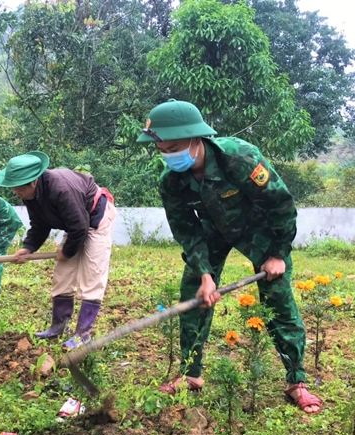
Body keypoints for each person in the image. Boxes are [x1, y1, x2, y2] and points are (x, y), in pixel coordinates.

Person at [137, 99, 322, 414]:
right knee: (194, 295)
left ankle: (296, 381)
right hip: (212, 232)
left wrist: (277, 253)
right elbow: (186, 231)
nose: (169, 155)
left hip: (260, 228)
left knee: (278, 298)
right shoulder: (170, 182)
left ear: (197, 138)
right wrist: (206, 276)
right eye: (162, 150)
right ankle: (190, 374)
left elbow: (281, 204)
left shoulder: (239, 159)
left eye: (175, 147)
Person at [0, 151, 117, 349]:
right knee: (63, 274)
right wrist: (29, 247)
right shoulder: (29, 193)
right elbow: (39, 224)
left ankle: (82, 334)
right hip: (77, 223)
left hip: (95, 218)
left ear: (33, 182)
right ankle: (59, 326)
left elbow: (80, 227)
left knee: (91, 275)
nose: (17, 193)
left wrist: (66, 252)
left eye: (19, 189)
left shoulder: (61, 190)